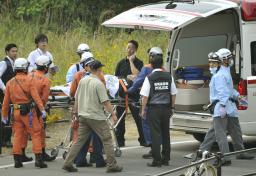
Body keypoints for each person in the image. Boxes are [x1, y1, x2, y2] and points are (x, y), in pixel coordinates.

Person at [62, 60, 123, 173]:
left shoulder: (82, 81)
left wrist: (75, 113)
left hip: (83, 115)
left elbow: (77, 99)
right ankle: (112, 165)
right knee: (107, 139)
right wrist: (113, 114)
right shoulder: (98, 83)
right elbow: (106, 102)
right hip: (96, 117)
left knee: (79, 141)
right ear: (99, 70)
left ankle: (68, 163)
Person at [199, 50, 254, 165]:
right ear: (224, 60)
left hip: (223, 107)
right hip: (226, 107)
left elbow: (226, 91)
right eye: (229, 58)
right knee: (228, 131)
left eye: (213, 63)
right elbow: (224, 92)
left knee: (223, 133)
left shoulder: (221, 73)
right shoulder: (222, 73)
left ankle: (227, 156)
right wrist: (228, 102)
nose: (231, 60)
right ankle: (230, 154)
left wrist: (237, 97)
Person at [1, 58, 47, 168]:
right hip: (28, 112)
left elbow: (6, 102)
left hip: (16, 112)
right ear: (25, 68)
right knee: (36, 133)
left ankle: (17, 160)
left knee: (17, 135)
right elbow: (36, 97)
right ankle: (39, 160)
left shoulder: (9, 83)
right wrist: (42, 110)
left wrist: (4, 115)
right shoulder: (29, 80)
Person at [140, 53, 177, 167]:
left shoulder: (149, 78)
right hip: (166, 109)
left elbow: (145, 96)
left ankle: (157, 160)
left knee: (155, 135)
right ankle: (166, 159)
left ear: (151, 65)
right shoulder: (168, 76)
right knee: (166, 134)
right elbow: (173, 93)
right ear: (161, 65)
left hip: (154, 109)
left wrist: (142, 110)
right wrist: (172, 107)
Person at [70, 52, 106, 168]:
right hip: (95, 112)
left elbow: (73, 93)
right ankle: (98, 159)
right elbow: (104, 94)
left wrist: (75, 111)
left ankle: (80, 160)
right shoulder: (100, 76)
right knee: (98, 136)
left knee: (82, 138)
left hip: (82, 112)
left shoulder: (78, 76)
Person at [128, 47, 163, 158]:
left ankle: (153, 148)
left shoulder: (147, 68)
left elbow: (139, 82)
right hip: (162, 103)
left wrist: (128, 91)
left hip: (149, 102)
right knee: (159, 126)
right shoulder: (164, 70)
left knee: (147, 124)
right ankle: (159, 149)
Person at [20, 55, 56, 162]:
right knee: (39, 132)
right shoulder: (46, 80)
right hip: (37, 108)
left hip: (24, 107)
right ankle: (41, 154)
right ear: (45, 67)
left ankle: (21, 153)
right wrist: (42, 109)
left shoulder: (29, 75)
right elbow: (44, 98)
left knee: (24, 131)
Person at [115, 40, 145, 147]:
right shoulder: (120, 63)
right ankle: (120, 141)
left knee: (138, 118)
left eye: (132, 48)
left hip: (134, 95)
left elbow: (139, 76)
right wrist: (125, 78)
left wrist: (131, 62)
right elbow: (116, 78)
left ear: (136, 50)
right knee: (120, 119)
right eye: (128, 47)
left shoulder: (139, 63)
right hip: (122, 95)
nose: (129, 50)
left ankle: (143, 139)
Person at [0, 43, 18, 148]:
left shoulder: (14, 63)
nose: (15, 53)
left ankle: (5, 140)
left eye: (16, 51)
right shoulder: (4, 63)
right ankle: (5, 140)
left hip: (11, 94)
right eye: (13, 51)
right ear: (7, 52)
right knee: (6, 116)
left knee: (9, 115)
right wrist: (4, 89)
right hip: (5, 94)